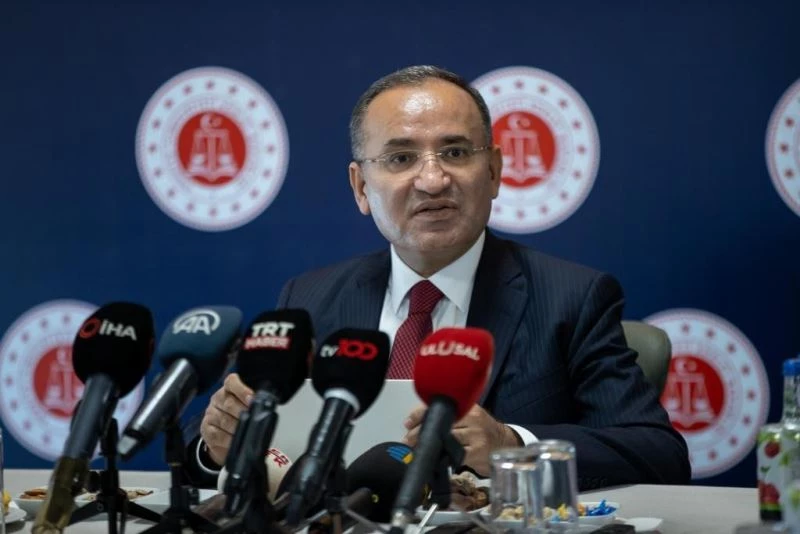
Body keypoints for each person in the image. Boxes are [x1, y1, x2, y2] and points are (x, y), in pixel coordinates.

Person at [184, 65, 690, 490]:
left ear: (494, 171)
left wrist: (509, 445)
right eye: (401, 158)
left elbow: (657, 453)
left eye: (455, 152)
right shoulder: (311, 298)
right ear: (361, 187)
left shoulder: (571, 298)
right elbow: (216, 448)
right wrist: (218, 447)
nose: (432, 180)